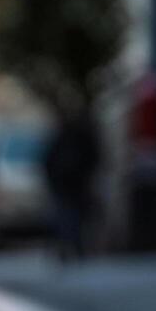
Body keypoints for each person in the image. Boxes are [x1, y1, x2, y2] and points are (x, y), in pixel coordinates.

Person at [44, 98, 101, 262]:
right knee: (70, 217)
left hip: (69, 184)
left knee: (68, 217)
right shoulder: (77, 135)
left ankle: (70, 246)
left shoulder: (68, 136)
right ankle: (73, 247)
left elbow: (48, 160)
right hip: (71, 183)